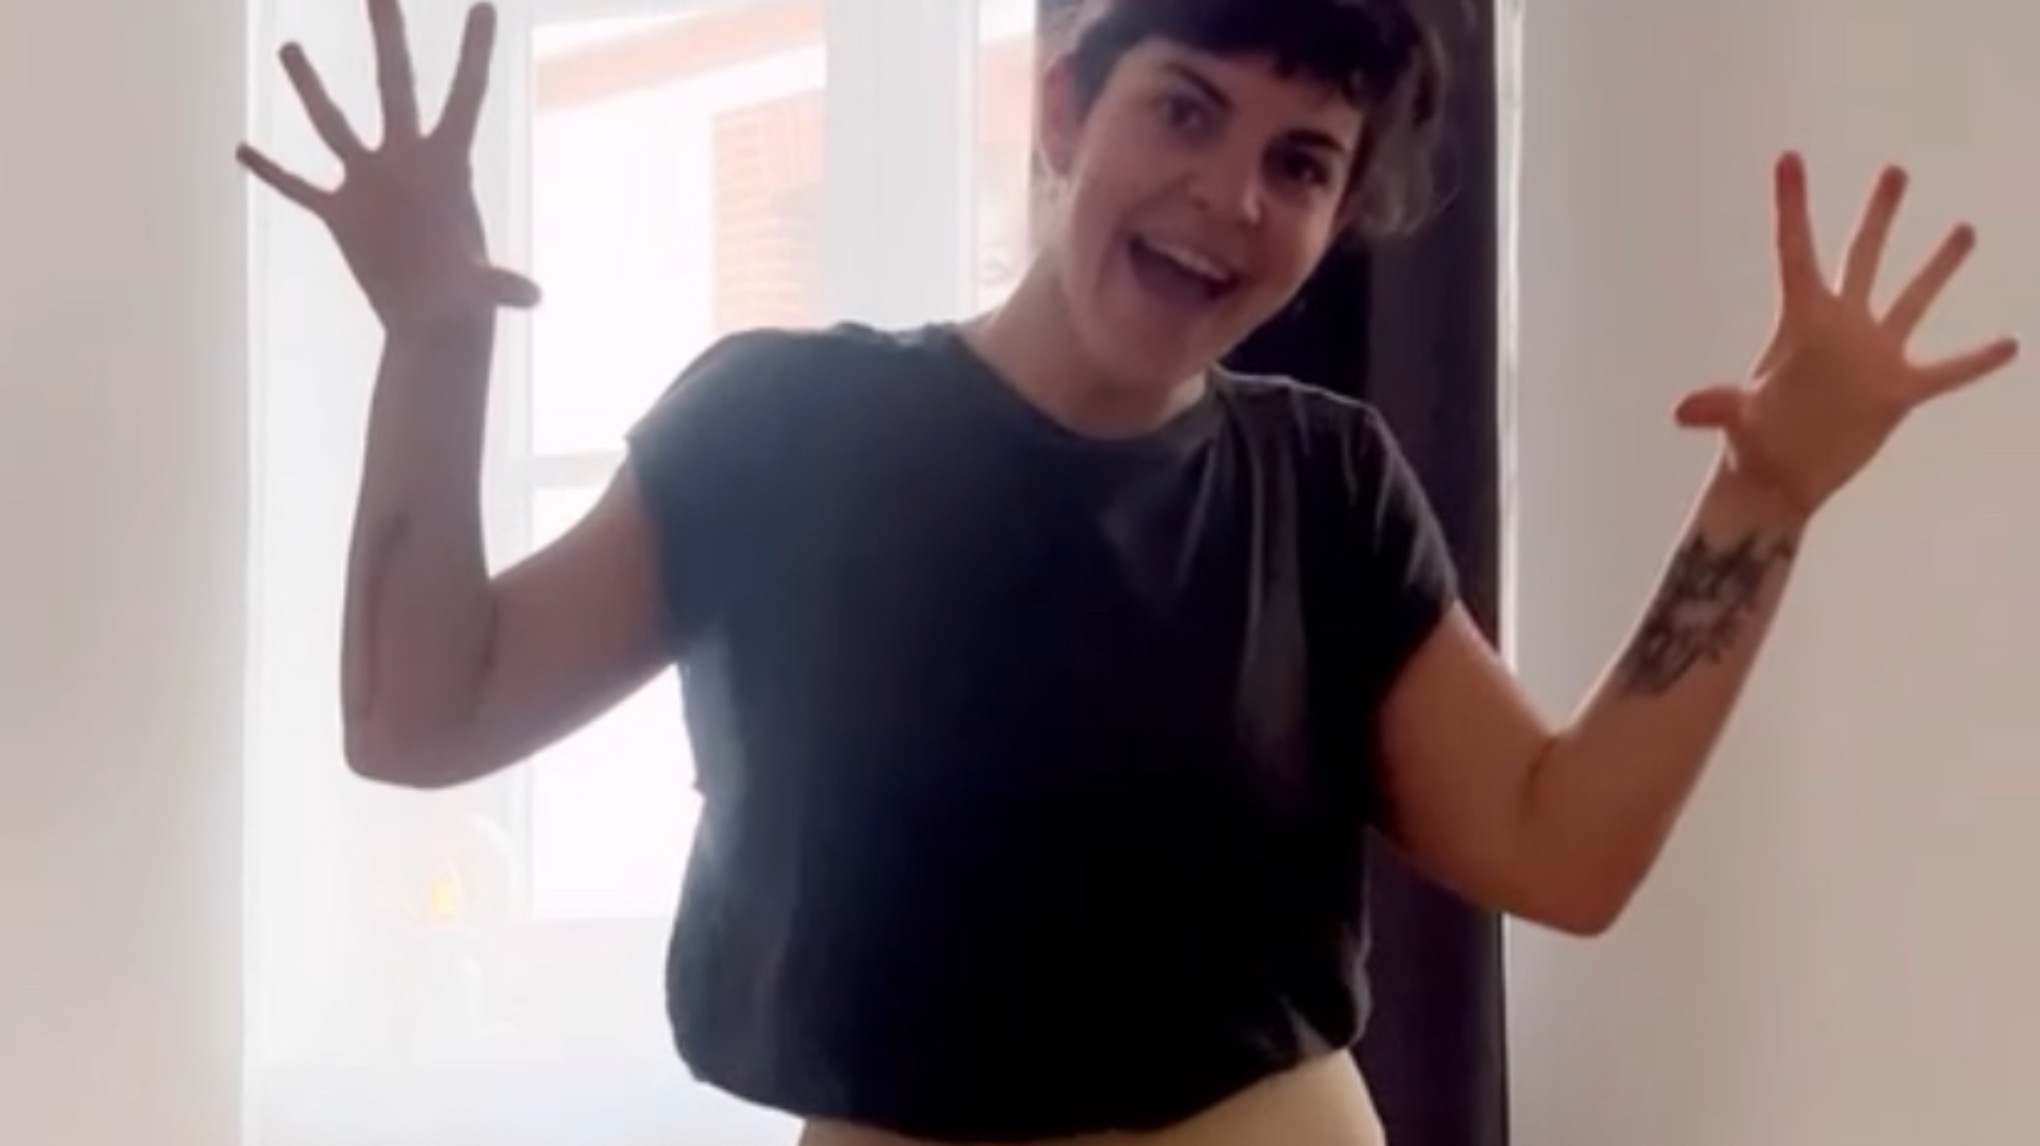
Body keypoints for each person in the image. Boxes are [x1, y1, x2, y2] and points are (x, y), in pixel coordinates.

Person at [236, 0, 2019, 1143]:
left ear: (1335, 218)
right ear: (1063, 111)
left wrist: (1766, 495)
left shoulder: (1325, 481)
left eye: (1299, 163)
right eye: (1183, 111)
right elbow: (421, 716)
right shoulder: (779, 425)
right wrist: (432, 343)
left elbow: (1562, 847)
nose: (1229, 196)